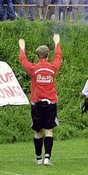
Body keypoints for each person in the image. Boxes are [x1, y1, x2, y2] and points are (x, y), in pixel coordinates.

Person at [18, 33, 62, 165]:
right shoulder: (53, 67)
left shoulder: (33, 68)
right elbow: (59, 57)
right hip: (50, 103)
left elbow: (23, 60)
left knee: (37, 131)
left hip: (36, 103)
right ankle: (47, 157)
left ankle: (38, 158)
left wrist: (22, 48)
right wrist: (57, 43)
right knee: (49, 130)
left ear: (37, 56)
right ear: (48, 55)